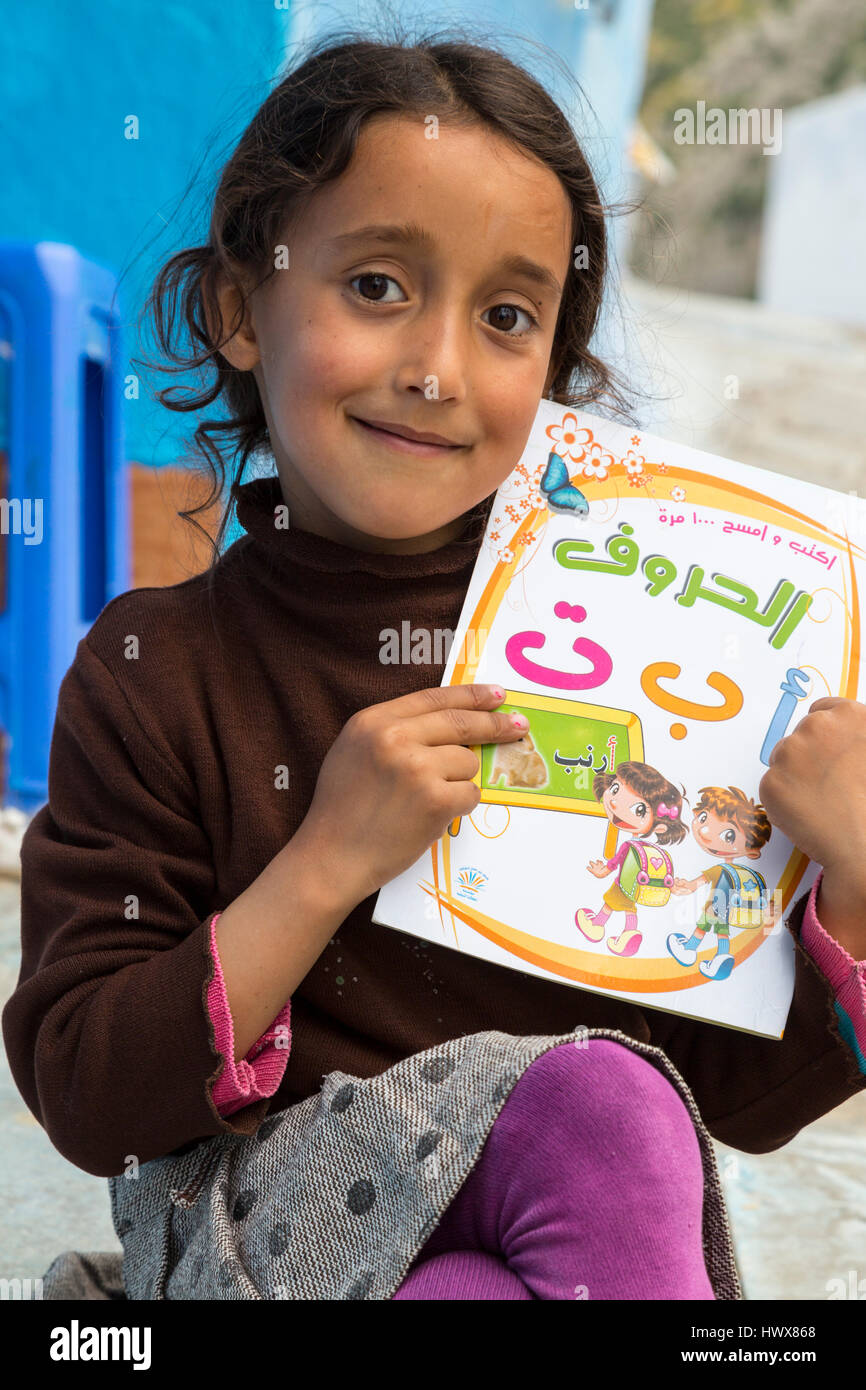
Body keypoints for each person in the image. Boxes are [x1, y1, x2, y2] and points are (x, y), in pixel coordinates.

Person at [4, 29, 865, 1303]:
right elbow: (87, 1090)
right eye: (374, 287)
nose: (434, 367)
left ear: (555, 383)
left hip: (529, 1253)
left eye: (505, 316)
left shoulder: (634, 663)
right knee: (605, 1103)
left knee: (556, 1185)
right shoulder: (156, 672)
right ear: (242, 310)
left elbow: (731, 1096)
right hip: (262, 1251)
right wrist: (328, 858)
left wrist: (847, 881)